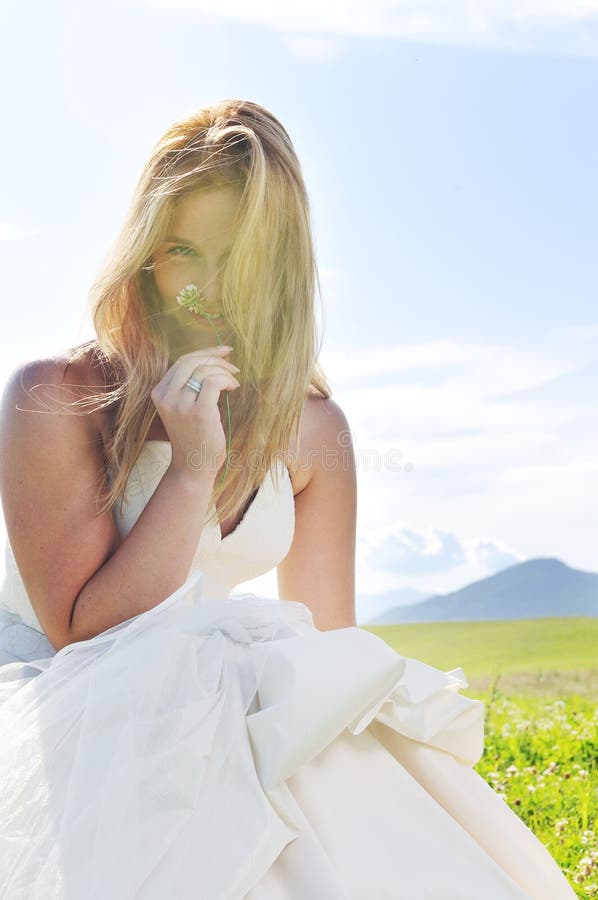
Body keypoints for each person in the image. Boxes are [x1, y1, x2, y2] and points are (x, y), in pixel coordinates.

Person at [0, 99, 575, 899]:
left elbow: (327, 648)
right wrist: (193, 468)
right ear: (142, 254)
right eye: (180, 251)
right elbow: (81, 632)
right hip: (64, 711)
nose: (202, 287)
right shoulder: (55, 394)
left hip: (204, 710)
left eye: (236, 257)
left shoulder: (314, 429)